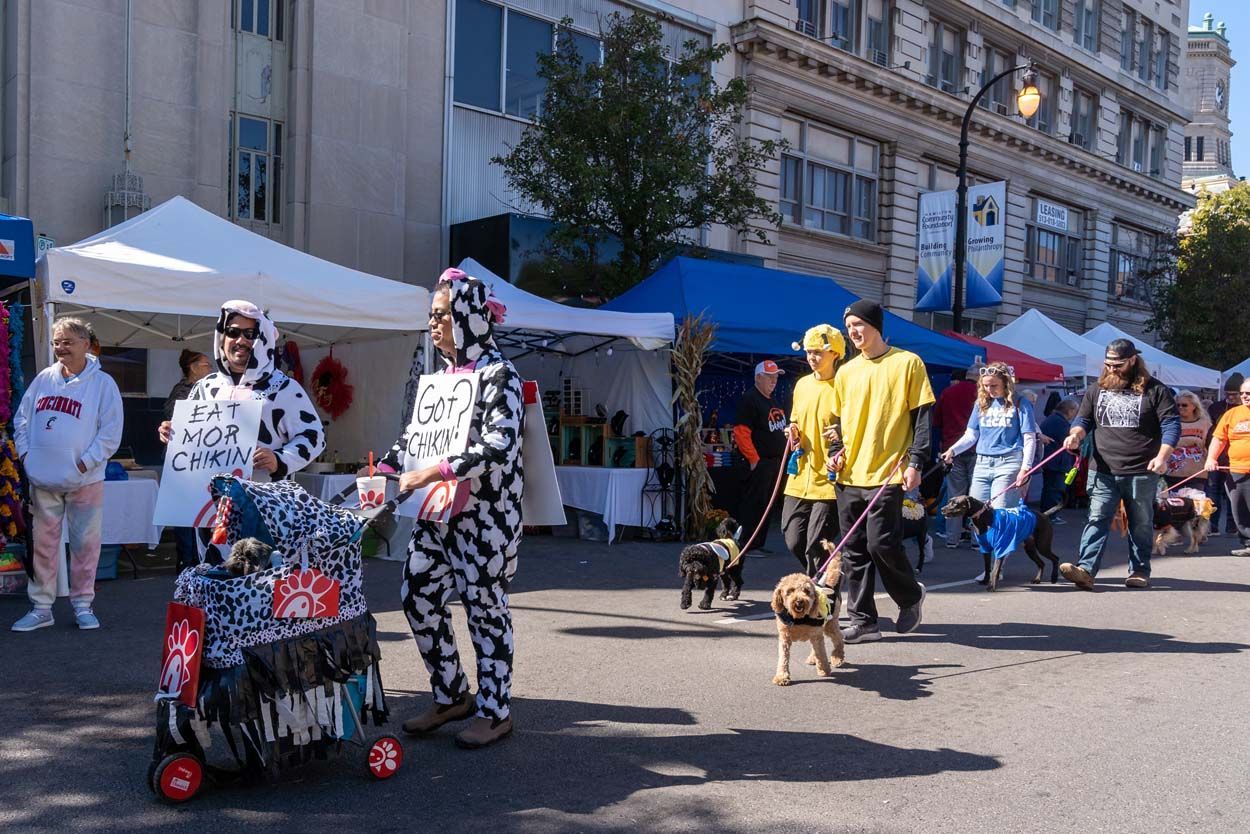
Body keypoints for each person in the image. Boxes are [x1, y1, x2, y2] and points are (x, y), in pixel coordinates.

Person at [378, 269, 523, 749]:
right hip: (436, 514)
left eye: (440, 314)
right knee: (417, 596)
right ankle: (451, 695)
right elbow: (412, 441)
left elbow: (499, 446)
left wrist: (436, 470)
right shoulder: (438, 379)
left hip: (486, 518)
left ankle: (495, 711)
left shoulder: (501, 374)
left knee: (485, 608)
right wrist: (384, 467)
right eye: (431, 316)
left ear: (467, 315)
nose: (434, 324)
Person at [158, 301, 325, 558]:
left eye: (250, 334)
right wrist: (173, 433)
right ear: (222, 336)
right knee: (213, 582)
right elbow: (191, 439)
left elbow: (314, 437)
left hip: (264, 509)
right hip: (209, 511)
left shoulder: (283, 388)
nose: (241, 340)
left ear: (263, 339)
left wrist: (280, 460)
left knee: (259, 586)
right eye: (233, 332)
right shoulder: (206, 387)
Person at [826, 300, 931, 643]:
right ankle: (864, 621)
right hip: (849, 474)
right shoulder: (845, 371)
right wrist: (833, 452)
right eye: (849, 326)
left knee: (881, 544)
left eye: (859, 324)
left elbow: (922, 419)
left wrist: (915, 461)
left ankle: (910, 596)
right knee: (854, 550)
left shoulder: (907, 363)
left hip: (888, 470)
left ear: (876, 326)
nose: (853, 332)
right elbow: (836, 423)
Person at [11, 317, 123, 632]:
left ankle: (82, 605)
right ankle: (42, 607)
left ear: (86, 344)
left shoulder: (103, 384)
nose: (61, 348)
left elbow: (111, 431)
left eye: (68, 342)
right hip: (43, 478)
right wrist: (27, 456)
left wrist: (86, 463)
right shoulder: (44, 378)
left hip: (84, 479)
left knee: (85, 544)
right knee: (43, 544)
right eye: (57, 342)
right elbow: (22, 418)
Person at [1059, 339, 1178, 590]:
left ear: (1133, 360)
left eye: (1118, 364)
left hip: (1141, 469)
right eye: (1108, 364)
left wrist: (1163, 456)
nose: (1112, 369)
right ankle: (1086, 569)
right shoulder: (1097, 388)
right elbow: (1084, 418)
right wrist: (1076, 434)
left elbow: (1171, 424)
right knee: (1096, 517)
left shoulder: (1156, 390)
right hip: (1102, 469)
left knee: (1140, 522)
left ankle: (1139, 570)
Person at [781, 326, 845, 575]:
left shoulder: (844, 385)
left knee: (816, 546)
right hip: (799, 475)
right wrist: (792, 431)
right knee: (793, 539)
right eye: (809, 352)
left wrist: (841, 432)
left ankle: (823, 595)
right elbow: (795, 418)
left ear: (835, 354)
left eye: (818, 352)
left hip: (829, 479)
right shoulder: (801, 385)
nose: (812, 357)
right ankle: (824, 581)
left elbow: (855, 425)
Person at [940, 363, 1037, 511]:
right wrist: (953, 450)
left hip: (1009, 462)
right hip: (982, 463)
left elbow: (1029, 438)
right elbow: (971, 435)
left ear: (1006, 383)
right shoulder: (981, 403)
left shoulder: (1020, 403)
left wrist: (1025, 468)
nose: (989, 390)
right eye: (985, 385)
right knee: (977, 514)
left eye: (994, 385)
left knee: (999, 513)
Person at [163, 350, 213, 570]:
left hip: (202, 461)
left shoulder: (210, 389)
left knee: (202, 511)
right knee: (185, 514)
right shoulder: (182, 392)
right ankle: (187, 560)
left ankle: (200, 557)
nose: (210, 369)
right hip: (184, 461)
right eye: (206, 365)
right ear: (193, 368)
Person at [732, 360, 788, 552]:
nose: (774, 381)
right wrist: (754, 459)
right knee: (754, 504)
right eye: (769, 377)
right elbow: (741, 432)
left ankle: (758, 544)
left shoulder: (773, 400)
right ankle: (746, 544)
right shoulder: (750, 399)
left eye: (776, 377)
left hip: (774, 463)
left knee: (766, 505)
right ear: (758, 378)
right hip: (760, 462)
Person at [932, 368, 978, 549]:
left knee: (954, 494)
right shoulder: (981, 394)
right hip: (976, 448)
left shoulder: (947, 393)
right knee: (977, 496)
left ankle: (952, 538)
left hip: (952, 448)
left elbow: (937, 421)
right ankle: (977, 540)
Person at [1206, 378, 1250, 557]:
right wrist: (1211, 458)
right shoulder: (1232, 414)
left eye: (1249, 393)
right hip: (1237, 470)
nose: (1245, 396)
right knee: (1240, 508)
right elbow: (1219, 438)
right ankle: (1248, 542)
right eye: (1243, 393)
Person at [1038, 397, 1080, 522]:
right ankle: (1051, 516)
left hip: (1052, 462)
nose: (1075, 415)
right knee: (1055, 490)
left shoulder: (1051, 419)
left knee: (1049, 489)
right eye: (1075, 412)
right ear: (1070, 410)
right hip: (1057, 462)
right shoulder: (1059, 422)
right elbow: (1069, 442)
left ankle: (1047, 515)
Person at [1166, 390, 1211, 487]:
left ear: (1194, 406)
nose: (1180, 407)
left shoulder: (1205, 423)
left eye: (1184, 405)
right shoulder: (1170, 423)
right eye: (1178, 405)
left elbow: (1210, 445)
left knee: (1194, 501)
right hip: (1172, 473)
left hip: (1197, 474)